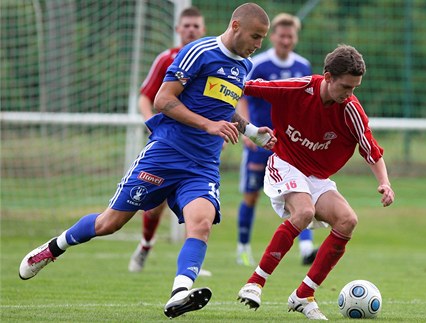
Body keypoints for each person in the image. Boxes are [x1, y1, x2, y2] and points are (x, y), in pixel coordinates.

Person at [19, 3, 274, 319]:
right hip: (166, 154)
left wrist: (251, 131)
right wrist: (208, 125)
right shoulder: (200, 52)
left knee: (201, 224)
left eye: (262, 38)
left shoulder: (244, 67)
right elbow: (163, 100)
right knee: (108, 223)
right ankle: (54, 247)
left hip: (203, 164)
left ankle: (179, 292)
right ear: (235, 26)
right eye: (256, 36)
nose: (259, 44)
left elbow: (224, 107)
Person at [237, 44, 395, 320]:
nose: (350, 94)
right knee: (305, 211)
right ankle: (255, 283)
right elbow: (247, 87)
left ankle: (303, 294)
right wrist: (247, 127)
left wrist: (385, 183)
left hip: (317, 178)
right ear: (328, 77)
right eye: (346, 86)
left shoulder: (351, 111)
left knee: (348, 220)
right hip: (285, 162)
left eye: (355, 88)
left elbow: (371, 150)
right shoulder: (297, 88)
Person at [129, 6, 211, 276]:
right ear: (177, 29)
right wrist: (151, 123)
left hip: (199, 149)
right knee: (154, 207)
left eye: (196, 26)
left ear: (203, 30)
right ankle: (145, 245)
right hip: (168, 143)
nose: (191, 30)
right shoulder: (167, 59)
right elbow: (145, 96)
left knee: (197, 203)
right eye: (186, 25)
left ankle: (191, 264)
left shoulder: (211, 60)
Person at [236, 13, 317, 267]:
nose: (285, 40)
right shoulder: (258, 63)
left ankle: (306, 247)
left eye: (290, 36)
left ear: (295, 38)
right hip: (261, 140)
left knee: (299, 191)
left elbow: (308, 102)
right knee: (251, 195)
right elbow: (241, 95)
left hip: (290, 144)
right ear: (273, 37)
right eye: (281, 35)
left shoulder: (303, 66)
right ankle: (243, 247)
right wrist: (247, 130)